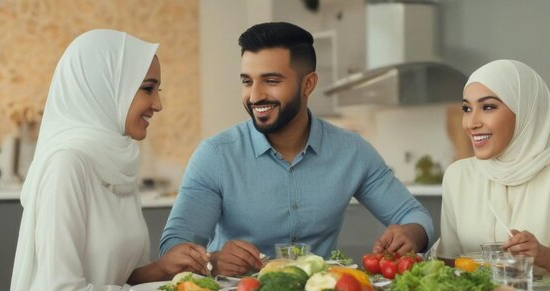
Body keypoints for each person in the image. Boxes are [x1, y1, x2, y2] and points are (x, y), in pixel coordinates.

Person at [160, 22, 434, 277]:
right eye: (247, 81)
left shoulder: (352, 152)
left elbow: (415, 216)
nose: (255, 96)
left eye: (271, 80)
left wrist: (411, 233)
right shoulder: (216, 155)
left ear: (308, 84)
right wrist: (212, 260)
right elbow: (174, 247)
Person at [3, 29, 210, 291]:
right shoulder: (68, 164)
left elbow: (116, 275)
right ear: (105, 86)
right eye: (147, 89)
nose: (158, 104)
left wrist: (161, 270)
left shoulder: (119, 160)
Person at [436, 59, 550, 284]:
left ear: (524, 110)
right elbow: (449, 264)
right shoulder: (458, 177)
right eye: (467, 109)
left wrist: (547, 257)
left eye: (488, 107)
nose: (471, 123)